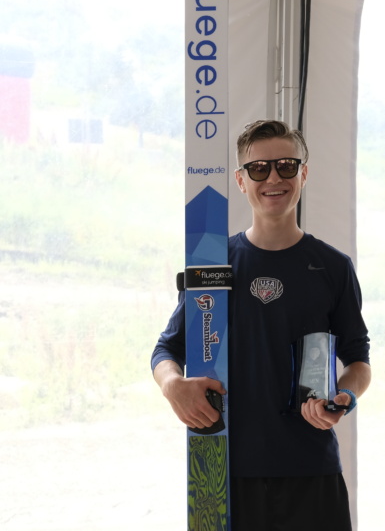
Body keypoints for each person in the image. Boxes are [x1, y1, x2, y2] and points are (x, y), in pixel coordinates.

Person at [151, 119, 371, 530]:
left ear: (303, 173)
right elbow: (167, 349)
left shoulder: (333, 267)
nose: (273, 177)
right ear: (240, 180)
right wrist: (171, 386)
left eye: (287, 166)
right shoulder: (212, 264)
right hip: (222, 470)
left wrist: (344, 396)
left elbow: (359, 360)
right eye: (259, 169)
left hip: (311, 469)